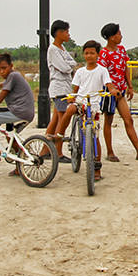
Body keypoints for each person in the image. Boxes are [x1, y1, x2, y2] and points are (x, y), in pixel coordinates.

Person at [56, 40, 118, 181]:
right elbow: (76, 89)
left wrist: (113, 90)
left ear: (98, 55)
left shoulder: (102, 70)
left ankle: (97, 169)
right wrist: (72, 97)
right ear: (83, 55)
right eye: (86, 53)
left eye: (92, 53)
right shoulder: (80, 71)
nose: (89, 56)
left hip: (94, 106)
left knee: (95, 137)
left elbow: (109, 84)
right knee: (71, 108)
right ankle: (60, 134)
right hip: (81, 101)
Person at [98, 23, 138, 161]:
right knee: (109, 120)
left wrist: (130, 86)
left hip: (121, 90)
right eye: (118, 34)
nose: (121, 36)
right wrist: (111, 87)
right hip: (109, 91)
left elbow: (125, 68)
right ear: (111, 37)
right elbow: (102, 73)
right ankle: (110, 152)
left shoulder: (121, 50)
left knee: (128, 119)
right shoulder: (104, 53)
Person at [45, 19, 77, 162]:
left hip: (65, 87)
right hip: (59, 88)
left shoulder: (62, 49)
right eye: (66, 32)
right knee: (62, 120)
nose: (68, 35)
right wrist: (69, 66)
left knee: (55, 120)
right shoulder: (53, 49)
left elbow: (72, 63)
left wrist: (68, 65)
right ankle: (57, 153)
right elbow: (65, 67)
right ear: (59, 33)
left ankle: (44, 150)